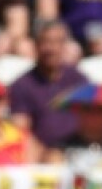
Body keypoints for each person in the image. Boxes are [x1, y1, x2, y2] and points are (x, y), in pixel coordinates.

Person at [8, 20, 88, 150]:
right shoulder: (22, 85)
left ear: (64, 46)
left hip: (79, 150)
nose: (51, 49)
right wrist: (44, 153)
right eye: (45, 42)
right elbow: (20, 130)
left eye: (57, 42)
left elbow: (93, 120)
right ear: (35, 45)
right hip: (41, 154)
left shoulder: (78, 80)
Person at [54, 85, 102, 169]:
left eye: (99, 110)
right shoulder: (65, 145)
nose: (93, 116)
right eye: (87, 109)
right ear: (78, 113)